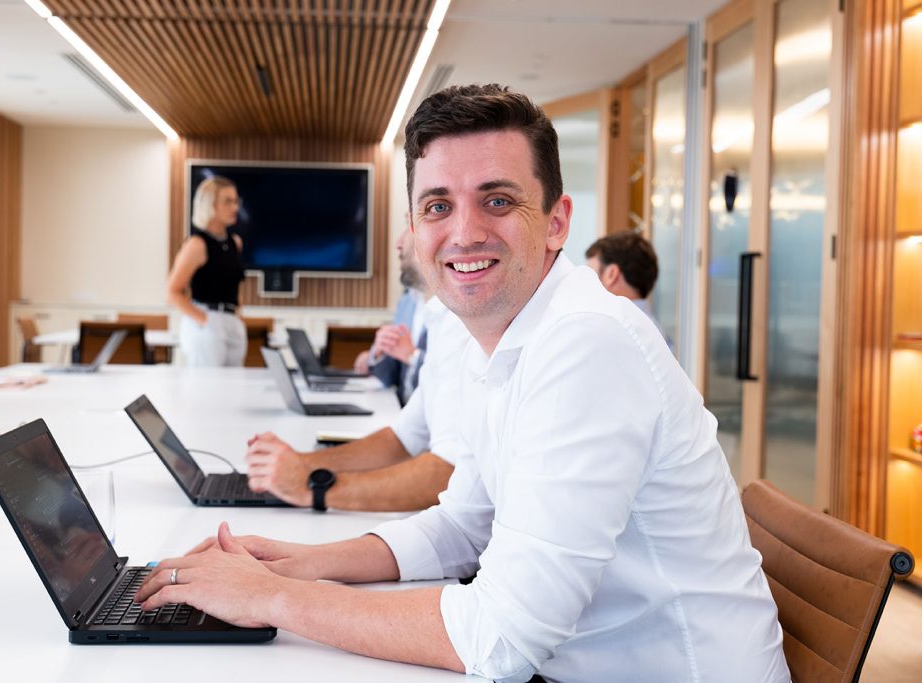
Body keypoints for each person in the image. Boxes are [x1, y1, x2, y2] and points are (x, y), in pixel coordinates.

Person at [136, 85, 789, 682]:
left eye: (498, 201)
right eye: (438, 206)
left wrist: (270, 598)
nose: (465, 232)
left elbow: (501, 638)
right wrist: (295, 561)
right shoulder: (500, 341)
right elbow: (461, 528)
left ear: (557, 221)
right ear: (415, 229)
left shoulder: (587, 342)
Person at [245, 288, 469, 512]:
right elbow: (402, 437)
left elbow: (450, 471)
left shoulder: (460, 323)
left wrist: (314, 489)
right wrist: (300, 464)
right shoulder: (441, 318)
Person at [168, 175, 248, 367]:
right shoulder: (197, 244)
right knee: (208, 384)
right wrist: (205, 321)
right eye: (228, 201)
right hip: (206, 320)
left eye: (236, 201)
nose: (235, 208)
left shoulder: (235, 243)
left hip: (232, 321)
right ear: (210, 205)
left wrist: (238, 316)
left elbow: (234, 285)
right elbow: (172, 292)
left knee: (235, 383)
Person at [354, 226, 428, 404]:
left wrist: (412, 355)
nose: (398, 243)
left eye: (407, 227)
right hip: (401, 410)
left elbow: (453, 381)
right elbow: (391, 376)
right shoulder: (407, 301)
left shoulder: (456, 307)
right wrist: (377, 355)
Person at [585, 231, 674, 349]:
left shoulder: (613, 331)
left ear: (611, 274)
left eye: (590, 274)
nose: (585, 284)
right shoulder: (656, 332)